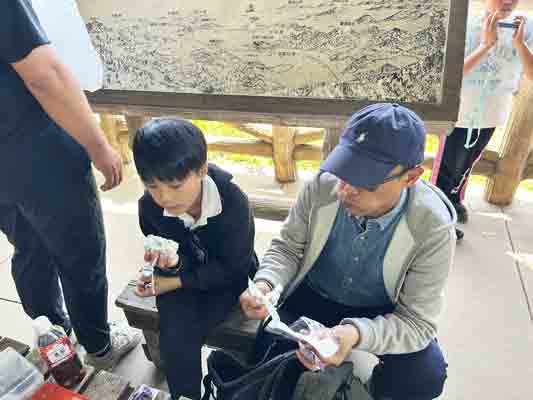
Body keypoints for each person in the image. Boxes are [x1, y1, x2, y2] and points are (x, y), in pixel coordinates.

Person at [240, 103, 456, 400]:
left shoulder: (432, 227)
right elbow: (288, 248)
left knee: (425, 376)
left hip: (384, 310)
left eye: (367, 181)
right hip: (312, 297)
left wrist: (355, 333)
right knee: (272, 366)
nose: (345, 190)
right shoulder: (323, 186)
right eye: (345, 170)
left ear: (411, 177)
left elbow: (417, 323)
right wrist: (267, 283)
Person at [0, 0, 141, 370]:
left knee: (28, 246)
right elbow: (44, 75)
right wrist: (98, 145)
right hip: (36, 147)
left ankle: (54, 338)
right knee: (79, 251)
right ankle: (99, 346)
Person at [133, 118, 258, 400]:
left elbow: (234, 268)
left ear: (202, 170)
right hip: (185, 273)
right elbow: (174, 254)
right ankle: (186, 395)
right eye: (152, 186)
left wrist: (176, 281)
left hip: (229, 276)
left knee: (183, 328)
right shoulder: (149, 206)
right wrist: (169, 263)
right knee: (174, 328)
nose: (164, 197)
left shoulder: (232, 202)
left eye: (175, 186)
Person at [434, 0, 533, 240]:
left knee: (468, 161)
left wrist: (520, 44)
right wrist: (485, 45)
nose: (508, 1)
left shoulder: (526, 25)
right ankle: (437, 218)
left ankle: (453, 200)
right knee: (448, 165)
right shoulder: (465, 21)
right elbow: (451, 74)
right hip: (460, 112)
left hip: (493, 111)